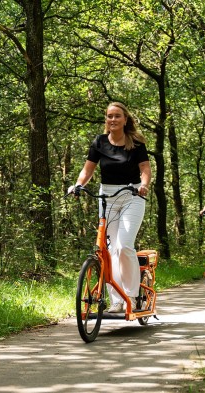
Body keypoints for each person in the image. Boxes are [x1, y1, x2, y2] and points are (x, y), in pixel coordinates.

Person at [68, 102, 152, 313]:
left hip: (132, 195)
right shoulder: (99, 142)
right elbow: (87, 170)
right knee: (109, 250)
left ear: (125, 119)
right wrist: (78, 185)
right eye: (109, 116)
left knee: (124, 246)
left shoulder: (136, 142)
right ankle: (116, 300)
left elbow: (145, 169)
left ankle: (131, 297)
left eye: (117, 116)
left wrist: (144, 185)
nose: (112, 120)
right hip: (107, 196)